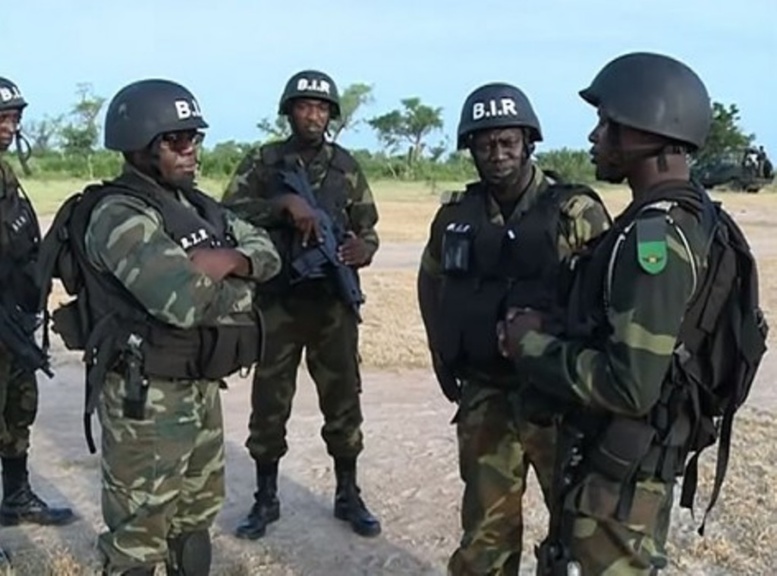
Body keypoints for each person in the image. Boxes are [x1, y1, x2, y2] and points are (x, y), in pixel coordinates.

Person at [498, 52, 738, 575]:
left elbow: (630, 385)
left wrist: (529, 345)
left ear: (648, 130)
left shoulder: (655, 241)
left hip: (622, 478)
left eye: (607, 123)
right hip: (625, 464)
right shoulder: (685, 216)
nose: (595, 136)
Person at [40, 78, 282, 576]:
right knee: (138, 540)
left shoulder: (196, 206)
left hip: (199, 385)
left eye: (194, 137)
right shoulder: (119, 215)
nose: (191, 149)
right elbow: (186, 302)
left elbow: (267, 252)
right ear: (139, 146)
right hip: (145, 398)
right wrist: (243, 283)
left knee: (193, 523)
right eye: (177, 140)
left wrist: (231, 260)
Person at [416, 82, 611, 575]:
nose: (497, 154)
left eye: (507, 142)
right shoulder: (455, 216)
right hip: (485, 394)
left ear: (528, 142)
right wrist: (440, 350)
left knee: (577, 528)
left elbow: (607, 301)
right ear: (470, 149)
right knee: (486, 534)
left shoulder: (574, 212)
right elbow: (430, 278)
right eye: (485, 144)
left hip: (558, 397)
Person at [222, 69, 381, 540]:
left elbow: (368, 227)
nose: (313, 115)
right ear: (289, 111)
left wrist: (363, 249)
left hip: (332, 305)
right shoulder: (264, 162)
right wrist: (283, 206)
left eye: (322, 108)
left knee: (343, 400)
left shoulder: (346, 166)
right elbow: (228, 212)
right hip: (278, 302)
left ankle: (347, 493)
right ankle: (265, 498)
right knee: (269, 402)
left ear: (331, 116)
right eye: (304, 106)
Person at [0, 76, 76, 538]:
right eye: (1, 118)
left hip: (14, 316)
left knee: (18, 407)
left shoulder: (5, 174)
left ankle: (15, 496)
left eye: (13, 118)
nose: (8, 127)